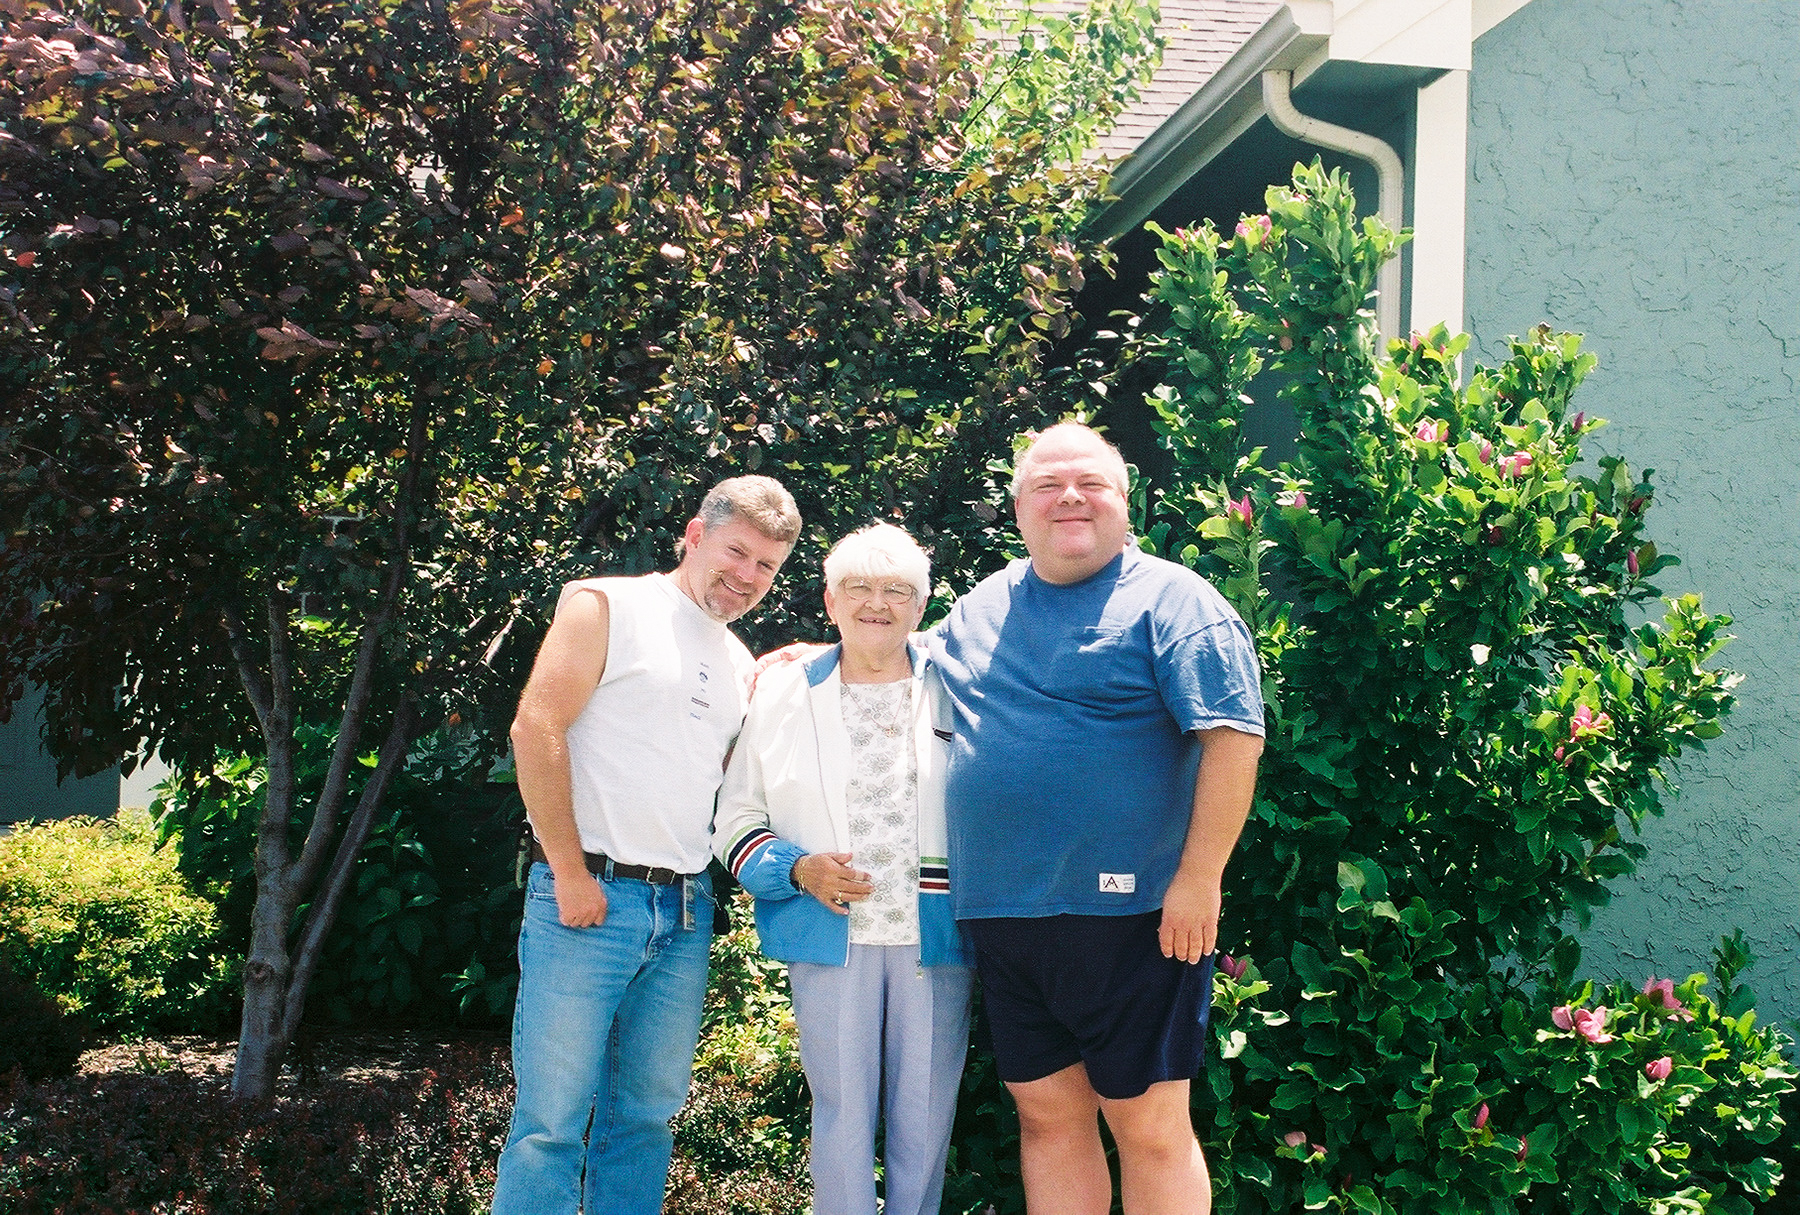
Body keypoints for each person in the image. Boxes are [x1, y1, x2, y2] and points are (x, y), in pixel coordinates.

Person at [930, 422, 1265, 1215]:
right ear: (1019, 508)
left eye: (1091, 484)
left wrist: (1200, 878)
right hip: (1004, 913)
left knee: (1149, 1127)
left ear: (1125, 501)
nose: (1069, 497)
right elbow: (900, 661)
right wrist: (814, 655)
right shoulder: (979, 606)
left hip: (1136, 915)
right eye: (1048, 485)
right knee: (1047, 1117)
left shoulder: (1176, 600)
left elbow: (1234, 739)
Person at [492, 475, 802, 1215]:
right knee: (549, 1125)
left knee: (645, 1121)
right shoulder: (607, 605)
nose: (748, 575)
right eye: (736, 552)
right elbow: (536, 727)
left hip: (686, 912)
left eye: (766, 565)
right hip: (589, 899)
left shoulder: (739, 662)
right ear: (695, 535)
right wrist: (568, 871)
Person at [714, 522, 974, 1215]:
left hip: (935, 936)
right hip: (830, 933)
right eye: (857, 587)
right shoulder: (781, 692)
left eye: (897, 591)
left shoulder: (961, 685)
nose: (876, 604)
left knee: (926, 1118)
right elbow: (734, 818)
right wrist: (799, 869)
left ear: (922, 606)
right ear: (830, 600)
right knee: (840, 1118)